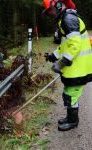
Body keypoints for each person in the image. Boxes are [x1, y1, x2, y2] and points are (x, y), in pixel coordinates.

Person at [43, 0, 92, 131]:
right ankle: (70, 118)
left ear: (58, 5)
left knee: (71, 94)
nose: (51, 14)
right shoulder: (64, 19)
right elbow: (66, 45)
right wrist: (53, 55)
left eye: (51, 10)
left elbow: (75, 45)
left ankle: (73, 121)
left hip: (79, 68)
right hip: (74, 67)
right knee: (68, 93)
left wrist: (61, 63)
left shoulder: (69, 19)